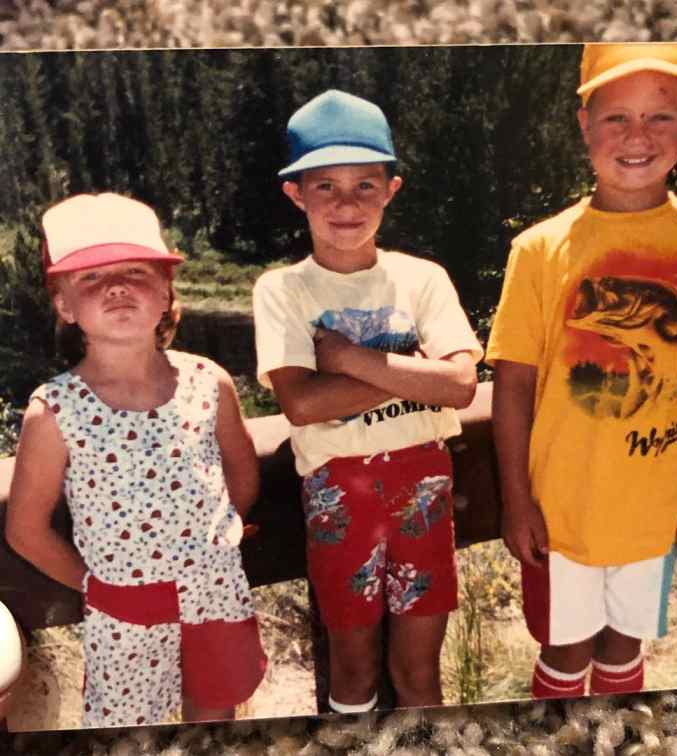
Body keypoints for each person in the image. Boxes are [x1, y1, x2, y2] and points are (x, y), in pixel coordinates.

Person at [486, 43, 677, 698]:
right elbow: (514, 383)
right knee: (564, 647)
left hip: (656, 505)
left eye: (660, 118)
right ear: (584, 123)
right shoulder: (541, 249)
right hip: (561, 508)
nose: (638, 138)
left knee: (625, 642)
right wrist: (518, 498)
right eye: (616, 118)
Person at [253, 89, 482, 712]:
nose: (346, 204)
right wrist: (416, 371)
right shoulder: (283, 290)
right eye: (325, 187)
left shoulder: (422, 278)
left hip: (424, 488)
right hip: (337, 494)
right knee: (352, 673)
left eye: (364, 185)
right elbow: (301, 404)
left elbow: (461, 386)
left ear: (391, 189)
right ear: (295, 194)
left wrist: (350, 359)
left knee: (419, 673)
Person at [6, 193, 267, 727]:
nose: (117, 287)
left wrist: (211, 541)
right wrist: (96, 587)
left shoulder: (208, 382)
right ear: (63, 305)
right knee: (128, 734)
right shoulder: (54, 410)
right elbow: (26, 530)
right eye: (91, 278)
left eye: (135, 270)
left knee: (214, 723)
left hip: (216, 594)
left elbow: (240, 475)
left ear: (167, 289)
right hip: (125, 611)